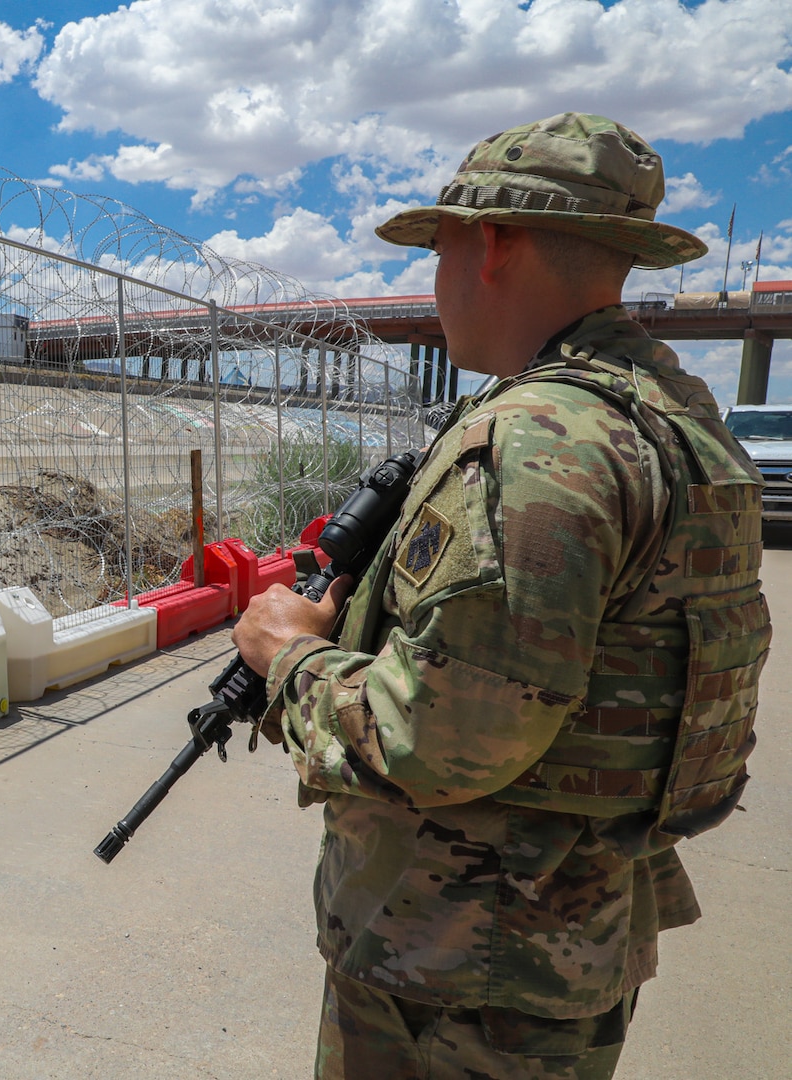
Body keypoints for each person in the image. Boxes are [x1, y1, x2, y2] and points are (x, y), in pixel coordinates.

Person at [231, 113, 767, 1080]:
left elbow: (441, 739)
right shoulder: (677, 416)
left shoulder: (540, 441)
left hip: (457, 965)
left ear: (494, 243)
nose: (431, 286)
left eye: (437, 249)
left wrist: (288, 657)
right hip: (570, 932)